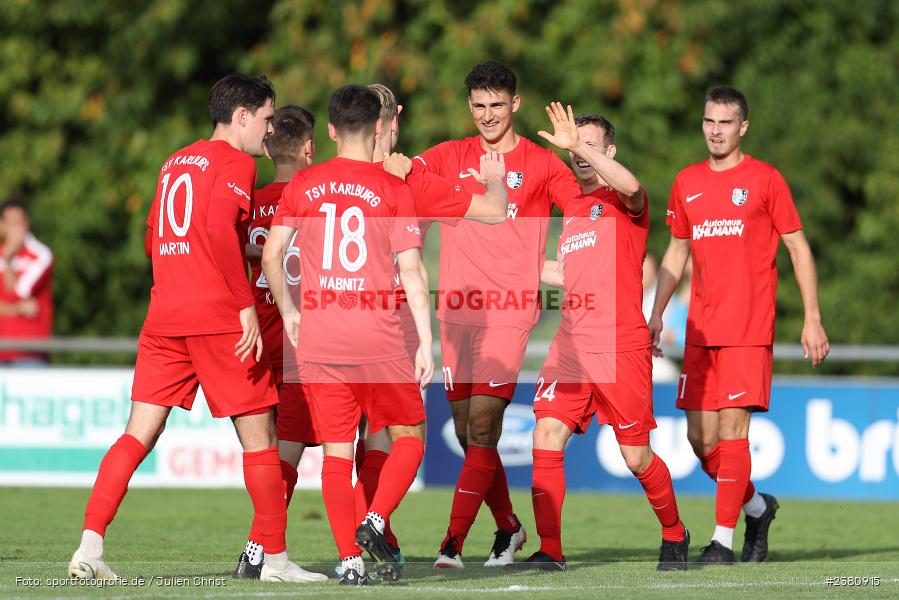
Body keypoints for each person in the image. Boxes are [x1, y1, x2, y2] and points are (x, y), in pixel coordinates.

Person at [67, 73, 322, 583]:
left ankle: (89, 547)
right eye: (267, 118)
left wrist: (213, 260)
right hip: (218, 319)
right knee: (261, 438)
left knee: (137, 434)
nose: (271, 130)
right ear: (243, 115)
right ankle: (274, 560)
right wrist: (244, 304)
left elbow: (153, 241)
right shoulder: (236, 162)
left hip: (165, 317)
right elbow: (215, 228)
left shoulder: (174, 161)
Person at [413, 61, 583, 569]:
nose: (488, 115)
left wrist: (580, 151)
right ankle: (509, 526)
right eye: (479, 106)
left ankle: (452, 543)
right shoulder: (448, 156)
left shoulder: (542, 164)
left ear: (515, 103)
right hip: (456, 313)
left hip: (508, 314)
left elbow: (585, 213)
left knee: (484, 428)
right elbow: (401, 175)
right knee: (468, 434)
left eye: (497, 105)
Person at [650, 86, 829, 565]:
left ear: (742, 127)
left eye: (725, 122)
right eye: (709, 121)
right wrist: (657, 312)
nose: (715, 130)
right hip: (700, 331)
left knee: (733, 431)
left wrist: (812, 318)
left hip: (749, 328)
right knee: (701, 442)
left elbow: (798, 247)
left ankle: (721, 542)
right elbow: (677, 251)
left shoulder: (766, 179)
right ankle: (757, 507)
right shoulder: (687, 181)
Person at [262, 84, 433, 585]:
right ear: (379, 127)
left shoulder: (304, 183)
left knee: (336, 456)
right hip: (378, 337)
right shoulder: (393, 189)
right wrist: (426, 340)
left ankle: (350, 562)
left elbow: (272, 255)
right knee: (410, 437)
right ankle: (375, 520)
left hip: (320, 338)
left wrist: (290, 312)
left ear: (332, 130)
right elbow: (412, 272)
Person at [337, 82, 508, 577]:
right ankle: (376, 524)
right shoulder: (414, 178)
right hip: (395, 323)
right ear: (394, 121)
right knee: (405, 436)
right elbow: (495, 212)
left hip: (336, 319)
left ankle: (358, 545)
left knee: (357, 444)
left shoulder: (327, 179)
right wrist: (495, 179)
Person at [513, 104, 689, 572]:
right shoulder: (572, 207)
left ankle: (675, 532)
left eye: (590, 145)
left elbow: (631, 186)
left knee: (636, 457)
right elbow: (568, 273)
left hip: (619, 344)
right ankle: (551, 550)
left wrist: (578, 145)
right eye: (574, 145)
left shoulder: (626, 204)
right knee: (546, 432)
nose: (578, 152)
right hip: (571, 344)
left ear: (609, 151)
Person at [231, 105, 322, 580]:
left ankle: (258, 551)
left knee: (267, 451)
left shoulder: (250, 200)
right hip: (304, 340)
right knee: (289, 454)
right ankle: (257, 551)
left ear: (267, 149)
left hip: (258, 338)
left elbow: (231, 247)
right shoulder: (318, 196)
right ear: (310, 147)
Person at [0, 197, 53, 365]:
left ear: (27, 224)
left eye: (19, 223)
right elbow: (18, 300)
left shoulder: (41, 255)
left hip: (30, 355)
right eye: (10, 224)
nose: (15, 229)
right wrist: (17, 308)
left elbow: (17, 292)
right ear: (2, 226)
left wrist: (8, 259)